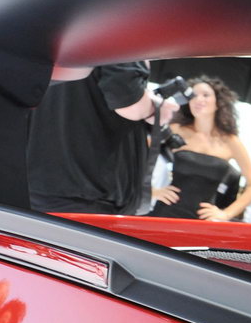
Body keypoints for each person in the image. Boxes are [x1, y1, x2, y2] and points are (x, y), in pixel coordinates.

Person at [29, 62, 169, 215]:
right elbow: (130, 104)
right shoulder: (122, 47)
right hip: (86, 191)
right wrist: (158, 108)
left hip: (40, 184)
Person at [150, 77, 251, 220]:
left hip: (203, 220)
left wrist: (226, 214)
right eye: (193, 95)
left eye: (205, 95)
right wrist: (152, 191)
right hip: (166, 213)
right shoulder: (176, 130)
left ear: (218, 103)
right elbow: (137, 155)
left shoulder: (230, 141)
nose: (198, 99)